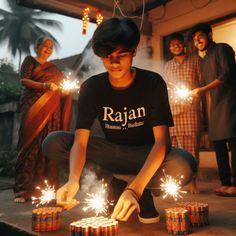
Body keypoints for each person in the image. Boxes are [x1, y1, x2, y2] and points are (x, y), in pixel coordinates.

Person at [42, 18, 197, 223]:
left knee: (184, 164)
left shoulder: (152, 83)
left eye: (121, 55)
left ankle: (143, 192)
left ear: (133, 52)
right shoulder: (92, 87)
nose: (114, 63)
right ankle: (114, 185)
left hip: (144, 153)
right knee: (53, 142)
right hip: (110, 151)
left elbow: (162, 142)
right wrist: (73, 180)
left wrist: (136, 189)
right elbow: (80, 141)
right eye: (108, 57)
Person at [14, 36, 73, 203]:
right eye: (45, 46)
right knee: (29, 146)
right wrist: (44, 86)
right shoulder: (30, 61)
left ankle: (47, 190)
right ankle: (22, 190)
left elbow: (61, 87)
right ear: (37, 46)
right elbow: (24, 80)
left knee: (48, 145)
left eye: (51, 47)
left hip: (52, 112)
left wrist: (66, 91)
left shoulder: (54, 69)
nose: (48, 49)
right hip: (32, 108)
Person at [191, 23, 236, 197]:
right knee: (218, 144)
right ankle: (225, 183)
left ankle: (235, 183)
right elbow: (203, 85)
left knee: (233, 143)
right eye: (195, 40)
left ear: (210, 35)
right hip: (216, 105)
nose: (197, 41)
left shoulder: (223, 49)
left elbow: (226, 75)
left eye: (200, 36)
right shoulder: (204, 59)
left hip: (231, 100)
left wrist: (202, 90)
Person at [163, 32, 202, 194]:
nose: (175, 46)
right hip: (173, 110)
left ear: (184, 44)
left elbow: (202, 82)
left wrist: (196, 96)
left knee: (192, 146)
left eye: (178, 43)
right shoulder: (168, 65)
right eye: (172, 45)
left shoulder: (195, 60)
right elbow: (166, 87)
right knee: (177, 148)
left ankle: (192, 182)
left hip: (190, 109)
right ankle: (179, 181)